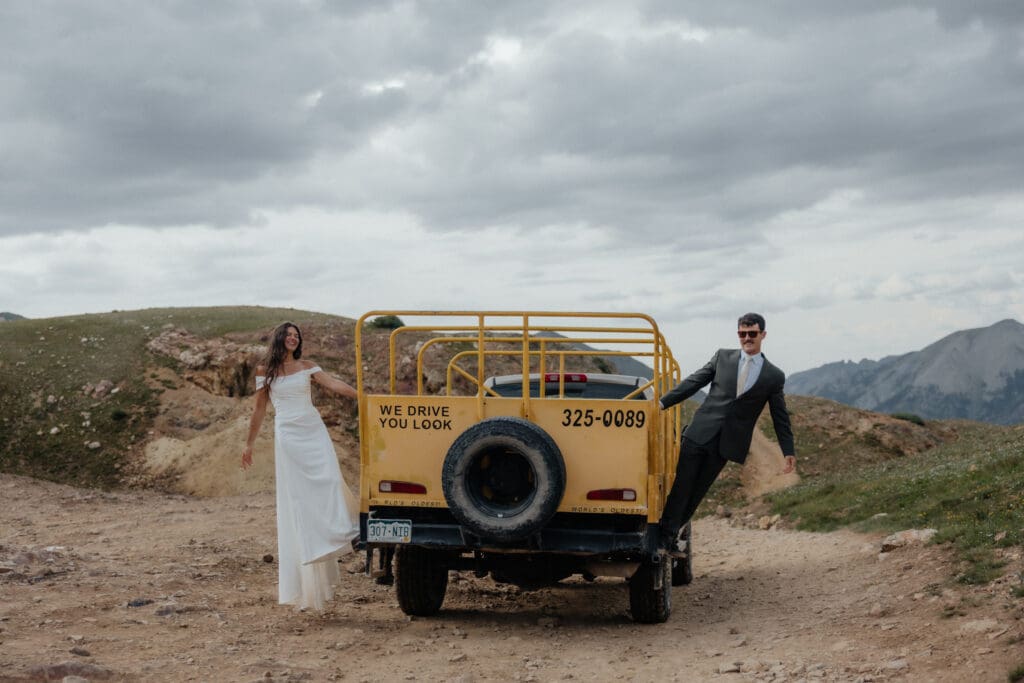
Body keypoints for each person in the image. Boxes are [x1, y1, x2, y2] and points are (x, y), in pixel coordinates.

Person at [241, 321, 360, 611]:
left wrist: (362, 396)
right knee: (299, 497)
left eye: (297, 335)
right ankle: (310, 547)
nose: (293, 338)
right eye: (289, 334)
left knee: (331, 479)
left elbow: (333, 383)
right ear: (280, 338)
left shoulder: (307, 366)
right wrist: (249, 444)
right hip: (289, 435)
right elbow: (259, 409)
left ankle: (339, 531)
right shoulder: (265, 371)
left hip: (312, 429)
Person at [657, 312, 796, 550]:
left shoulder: (774, 375)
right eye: (742, 333)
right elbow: (693, 382)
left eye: (752, 333)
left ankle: (670, 535)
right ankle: (662, 539)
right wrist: (662, 403)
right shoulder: (722, 357)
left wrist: (788, 450)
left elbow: (780, 417)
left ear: (763, 335)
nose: (747, 338)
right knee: (681, 486)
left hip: (726, 444)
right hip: (699, 433)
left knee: (697, 493)